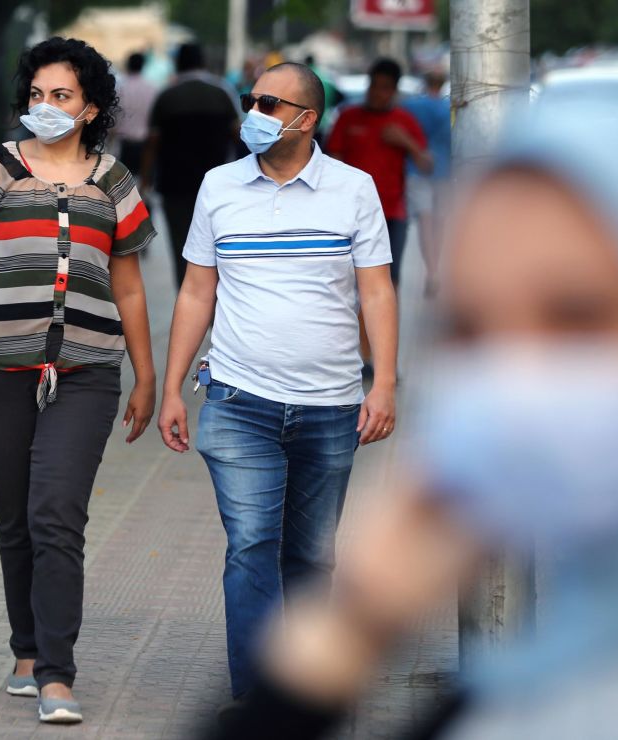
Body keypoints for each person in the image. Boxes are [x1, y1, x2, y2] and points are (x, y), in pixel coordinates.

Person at [210, 109, 618, 738]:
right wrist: (354, 627)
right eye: (470, 330)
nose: (518, 379)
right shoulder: (526, 693)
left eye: (578, 317)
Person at [0, 37, 156, 725]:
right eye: (37, 95)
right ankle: (25, 647)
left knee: (55, 515)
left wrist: (147, 375)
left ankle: (56, 675)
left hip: (88, 373)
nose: (46, 106)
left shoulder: (114, 182)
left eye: (61, 95)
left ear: (91, 107)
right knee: (16, 518)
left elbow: (129, 287)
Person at [158, 61, 399, 703]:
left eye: (269, 103)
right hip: (239, 400)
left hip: (331, 405)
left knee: (312, 559)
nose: (254, 114)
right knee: (251, 546)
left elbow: (377, 291)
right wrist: (171, 387)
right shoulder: (219, 186)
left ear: (306, 118)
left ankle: (312, 686)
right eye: (251, 100)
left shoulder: (354, 189)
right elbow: (195, 291)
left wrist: (386, 385)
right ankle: (260, 696)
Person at [141, 42, 240, 287]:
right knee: (219, 245)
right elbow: (238, 136)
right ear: (203, 61)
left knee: (181, 246)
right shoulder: (222, 93)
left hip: (176, 185)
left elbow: (152, 143)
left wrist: (145, 180)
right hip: (218, 185)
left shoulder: (167, 96)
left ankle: (187, 300)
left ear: (177, 63)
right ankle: (217, 302)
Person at [326, 58, 431, 287]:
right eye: (374, 86)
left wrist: (406, 142)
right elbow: (332, 160)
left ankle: (390, 323)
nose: (377, 93)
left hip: (392, 212)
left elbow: (426, 164)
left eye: (384, 88)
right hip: (349, 212)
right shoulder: (348, 117)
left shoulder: (403, 122)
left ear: (393, 90)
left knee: (390, 279)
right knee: (349, 279)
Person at [402, 69, 451, 297]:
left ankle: (431, 270)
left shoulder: (412, 106)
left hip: (416, 168)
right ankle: (436, 267)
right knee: (439, 221)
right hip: (443, 171)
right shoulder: (447, 108)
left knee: (425, 220)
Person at [111, 52, 157, 177]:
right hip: (145, 145)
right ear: (143, 65)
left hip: (122, 144)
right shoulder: (152, 88)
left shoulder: (120, 87)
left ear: (128, 65)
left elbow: (113, 116)